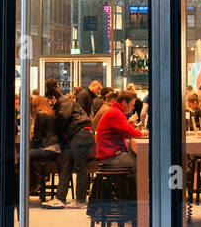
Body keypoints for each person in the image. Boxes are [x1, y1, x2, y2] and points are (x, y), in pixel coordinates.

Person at [51, 79, 94, 209]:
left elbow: (63, 118)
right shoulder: (67, 102)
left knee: (80, 167)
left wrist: (58, 133)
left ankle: (80, 200)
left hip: (80, 135)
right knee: (67, 165)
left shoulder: (63, 103)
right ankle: (61, 198)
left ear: (52, 98)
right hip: (81, 134)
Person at [95, 92, 144, 177]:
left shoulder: (115, 111)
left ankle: (129, 190)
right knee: (141, 164)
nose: (132, 108)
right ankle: (136, 190)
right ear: (124, 103)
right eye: (132, 105)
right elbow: (130, 132)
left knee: (139, 160)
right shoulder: (116, 113)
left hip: (109, 154)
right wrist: (146, 133)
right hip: (111, 157)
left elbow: (125, 131)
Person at [28, 95, 63, 204]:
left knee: (22, 157)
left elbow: (37, 138)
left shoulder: (40, 115)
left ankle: (35, 181)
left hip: (48, 148)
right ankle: (39, 178)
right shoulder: (50, 113)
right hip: (55, 148)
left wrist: (30, 147)